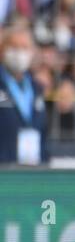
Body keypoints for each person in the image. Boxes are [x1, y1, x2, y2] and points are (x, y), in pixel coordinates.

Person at [0, 25, 48, 166]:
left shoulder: (37, 88)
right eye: (14, 47)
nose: (19, 53)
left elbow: (43, 132)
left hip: (33, 172)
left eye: (24, 47)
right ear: (2, 50)